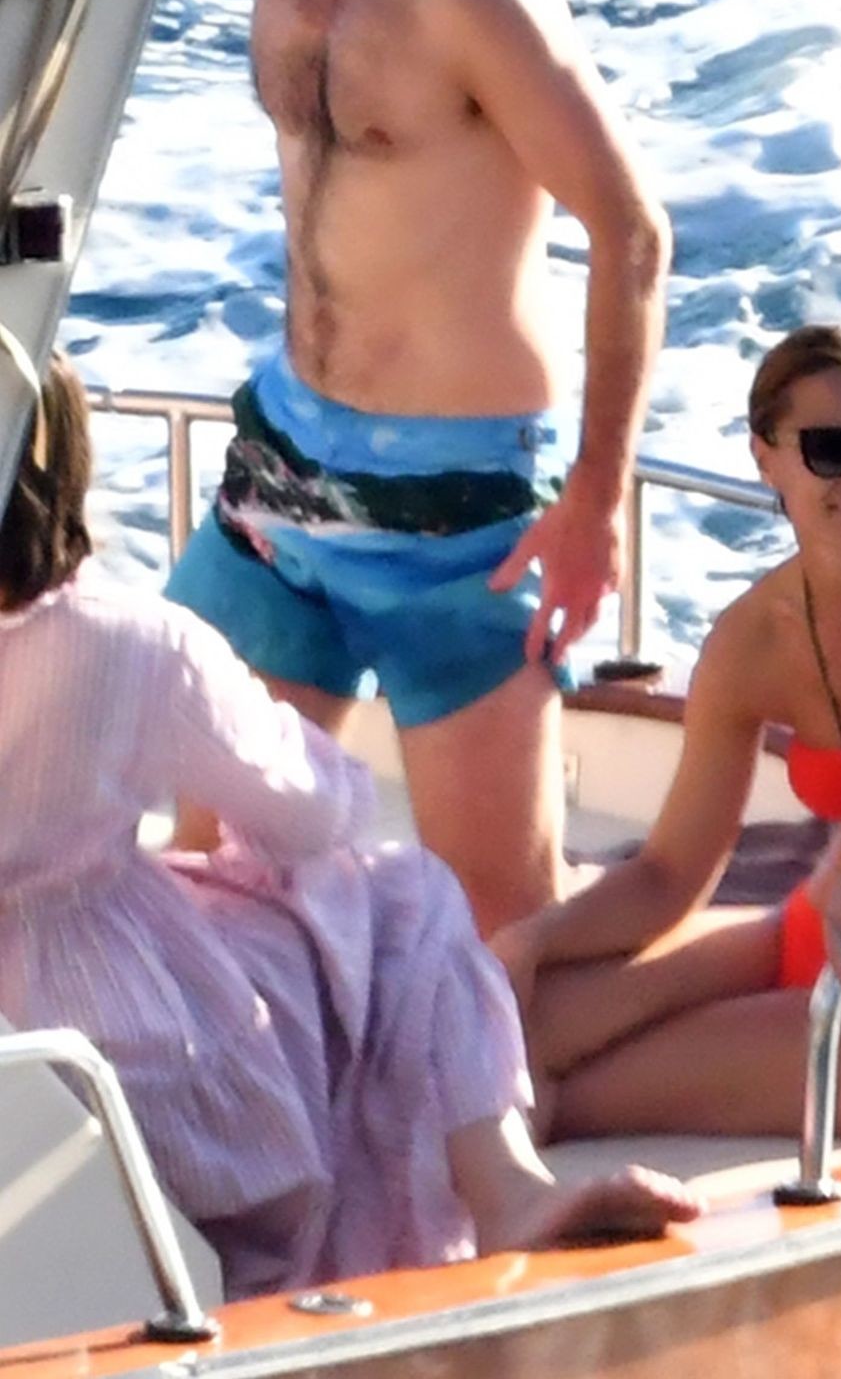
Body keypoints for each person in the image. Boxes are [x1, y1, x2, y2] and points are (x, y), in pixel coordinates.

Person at [165, 0, 671, 933]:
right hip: (282, 463)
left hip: (453, 509)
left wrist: (594, 503)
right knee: (210, 873)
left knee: (499, 925)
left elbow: (631, 233)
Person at [0, 355, 698, 1300]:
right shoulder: (131, 642)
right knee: (403, 894)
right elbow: (306, 816)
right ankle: (507, 1191)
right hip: (123, 1051)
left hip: (27, 1060)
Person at [493, 324, 841, 1139]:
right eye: (831, 450)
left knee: (554, 1103)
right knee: (509, 1031)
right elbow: (668, 874)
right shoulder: (751, 640)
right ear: (765, 458)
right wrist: (534, 940)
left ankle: (503, 1214)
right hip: (803, 938)